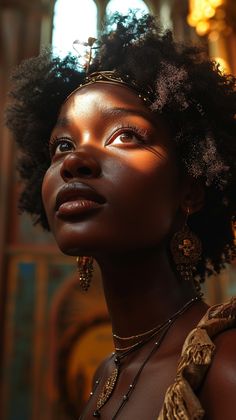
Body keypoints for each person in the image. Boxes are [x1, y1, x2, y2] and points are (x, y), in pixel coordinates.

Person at [6, 13, 236, 420]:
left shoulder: (223, 366)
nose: (74, 160)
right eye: (61, 144)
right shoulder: (104, 376)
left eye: (125, 135)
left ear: (190, 189)